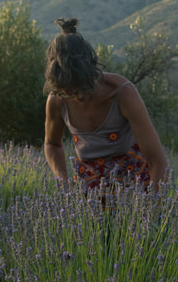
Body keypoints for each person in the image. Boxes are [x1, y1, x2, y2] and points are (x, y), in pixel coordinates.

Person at [43, 17, 167, 194]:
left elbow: (157, 161)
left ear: (91, 71)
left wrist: (152, 208)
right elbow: (52, 144)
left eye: (81, 87)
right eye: (69, 91)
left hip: (133, 187)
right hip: (88, 191)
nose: (78, 96)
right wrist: (63, 181)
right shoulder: (57, 99)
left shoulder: (123, 93)